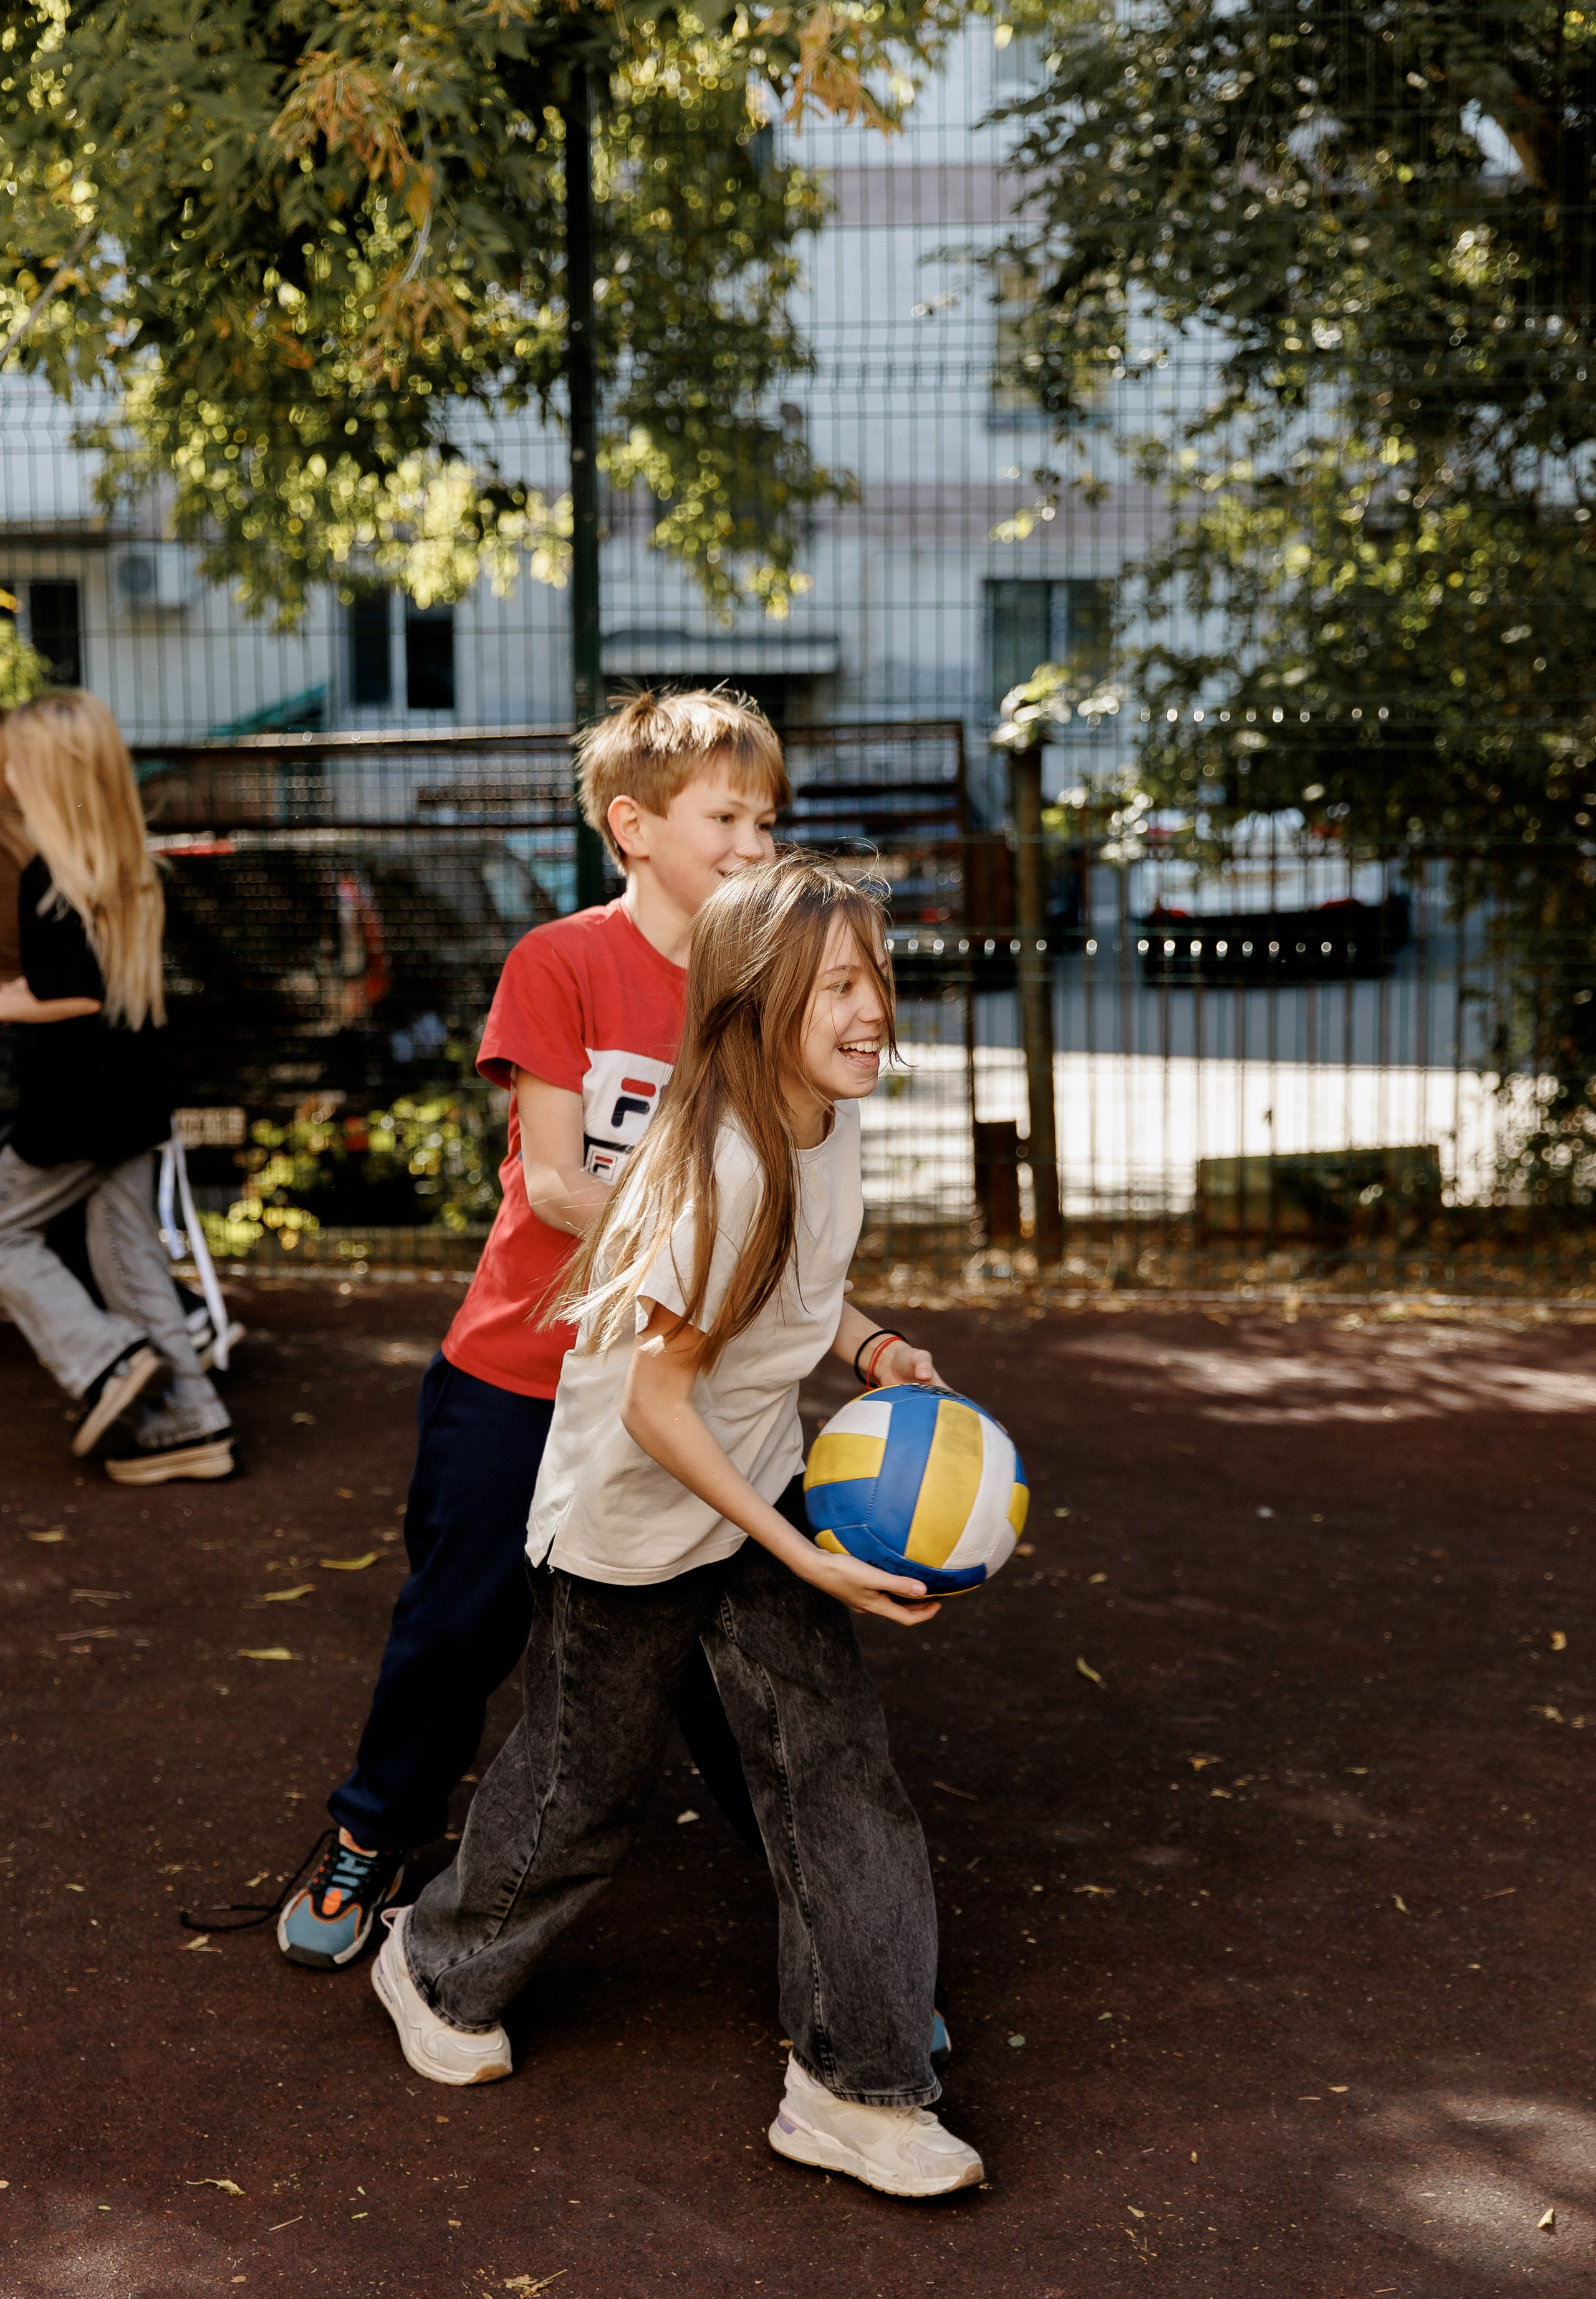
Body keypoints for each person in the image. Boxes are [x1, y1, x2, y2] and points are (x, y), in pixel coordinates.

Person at [370, 854, 983, 2201]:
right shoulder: (718, 1171)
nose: (872, 1007)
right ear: (758, 1005)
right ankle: (432, 1963)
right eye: (837, 985)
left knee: (835, 1775)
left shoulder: (825, 1119)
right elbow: (655, 1405)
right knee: (587, 1788)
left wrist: (871, 1342)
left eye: (877, 976)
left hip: (749, 1480)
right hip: (635, 1519)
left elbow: (800, 1290)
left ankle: (856, 2088)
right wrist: (799, 1550)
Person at [278, 689, 789, 1969]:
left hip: (678, 1374)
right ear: (632, 825)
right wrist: (703, 1235)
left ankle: (831, 1902)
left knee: (723, 1663)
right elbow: (556, 1182)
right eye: (725, 815)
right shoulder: (560, 963)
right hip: (519, 1369)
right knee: (460, 1621)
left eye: (768, 819)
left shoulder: (767, 987)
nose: (754, 841)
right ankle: (373, 1832)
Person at [0, 689, 233, 1483]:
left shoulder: (48, 878)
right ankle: (193, 1421)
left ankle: (105, 1361)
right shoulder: (127, 871)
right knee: (129, 1258)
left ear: (46, 775)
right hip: (130, 1102)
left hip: (71, 1110)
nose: (4, 773)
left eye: (14, 761)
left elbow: (73, 992)